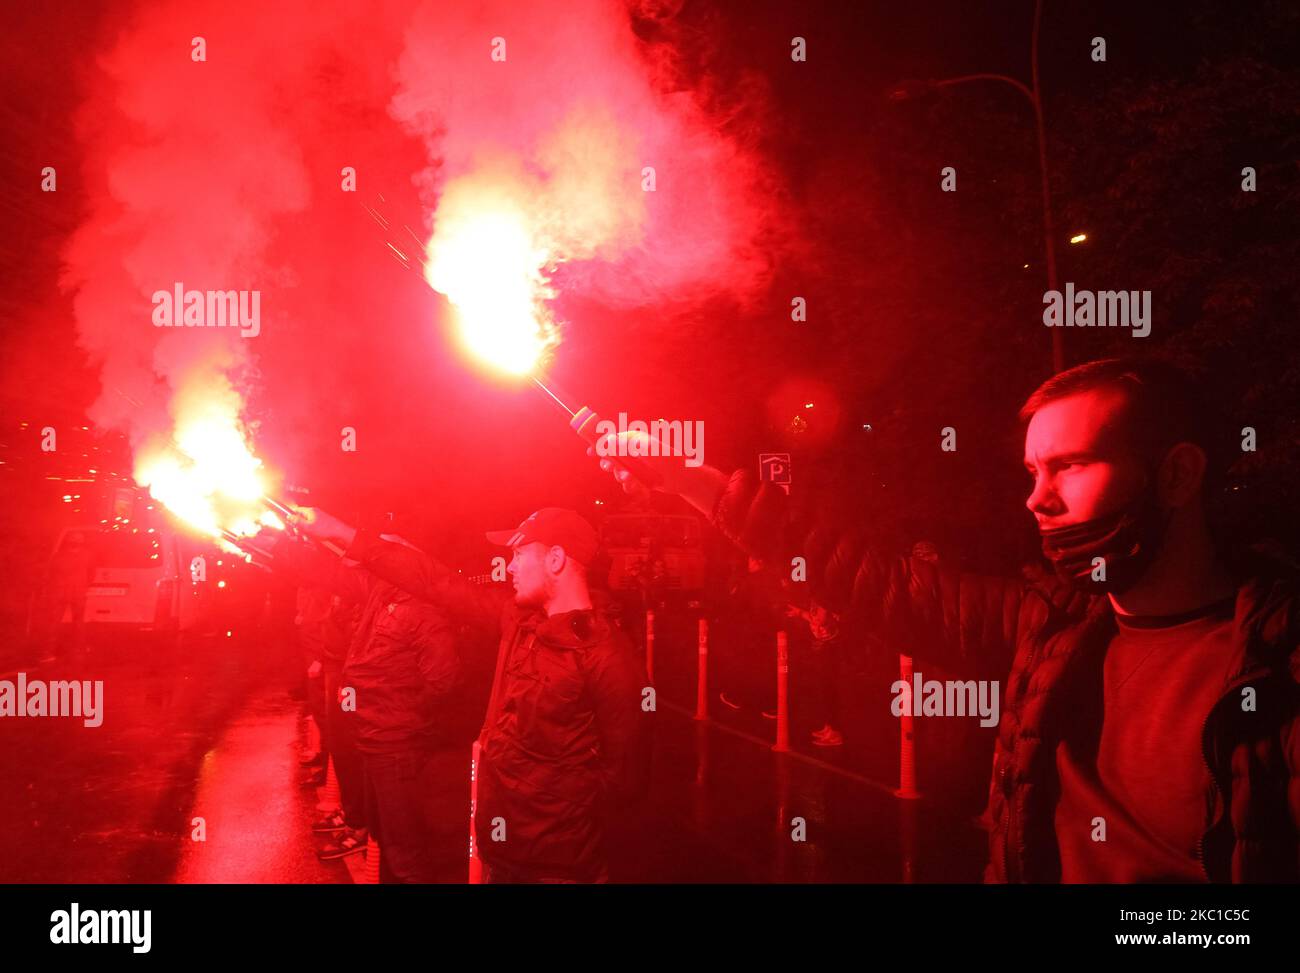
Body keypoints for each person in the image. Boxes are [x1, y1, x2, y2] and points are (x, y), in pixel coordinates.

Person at [592, 356, 1300, 883]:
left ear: (1177, 475)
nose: (1036, 499)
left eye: (1069, 467)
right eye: (1031, 472)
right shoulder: (1050, 628)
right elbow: (866, 576)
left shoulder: (1277, 668)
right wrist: (681, 475)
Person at [297, 506, 652, 884]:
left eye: (518, 554)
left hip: (562, 866)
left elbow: (624, 782)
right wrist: (336, 530)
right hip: (503, 849)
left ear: (556, 559)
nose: (509, 567)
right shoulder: (517, 622)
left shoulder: (608, 657)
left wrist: (557, 808)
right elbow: (436, 583)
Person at [275, 533, 459, 881]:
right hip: (375, 739)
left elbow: (442, 684)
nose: (370, 567)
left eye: (383, 559)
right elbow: (329, 574)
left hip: (397, 746)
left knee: (406, 854)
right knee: (387, 842)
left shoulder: (423, 612)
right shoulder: (381, 597)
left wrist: (398, 716)